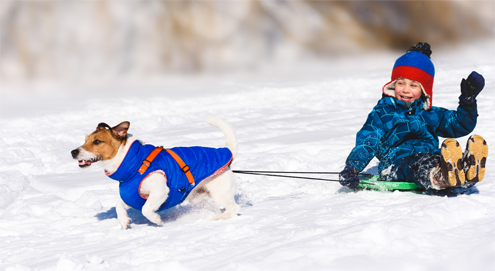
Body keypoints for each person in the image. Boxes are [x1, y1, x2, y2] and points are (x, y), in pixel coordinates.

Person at [339, 42, 488, 190]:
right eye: (401, 83)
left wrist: (467, 102)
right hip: (396, 164)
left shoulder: (429, 113)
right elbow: (367, 141)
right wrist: (352, 167)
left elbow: (458, 124)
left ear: (424, 89)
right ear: (393, 84)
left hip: (430, 155)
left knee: (441, 157)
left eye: (413, 85)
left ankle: (466, 169)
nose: (405, 90)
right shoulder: (383, 113)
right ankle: (440, 176)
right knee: (420, 164)